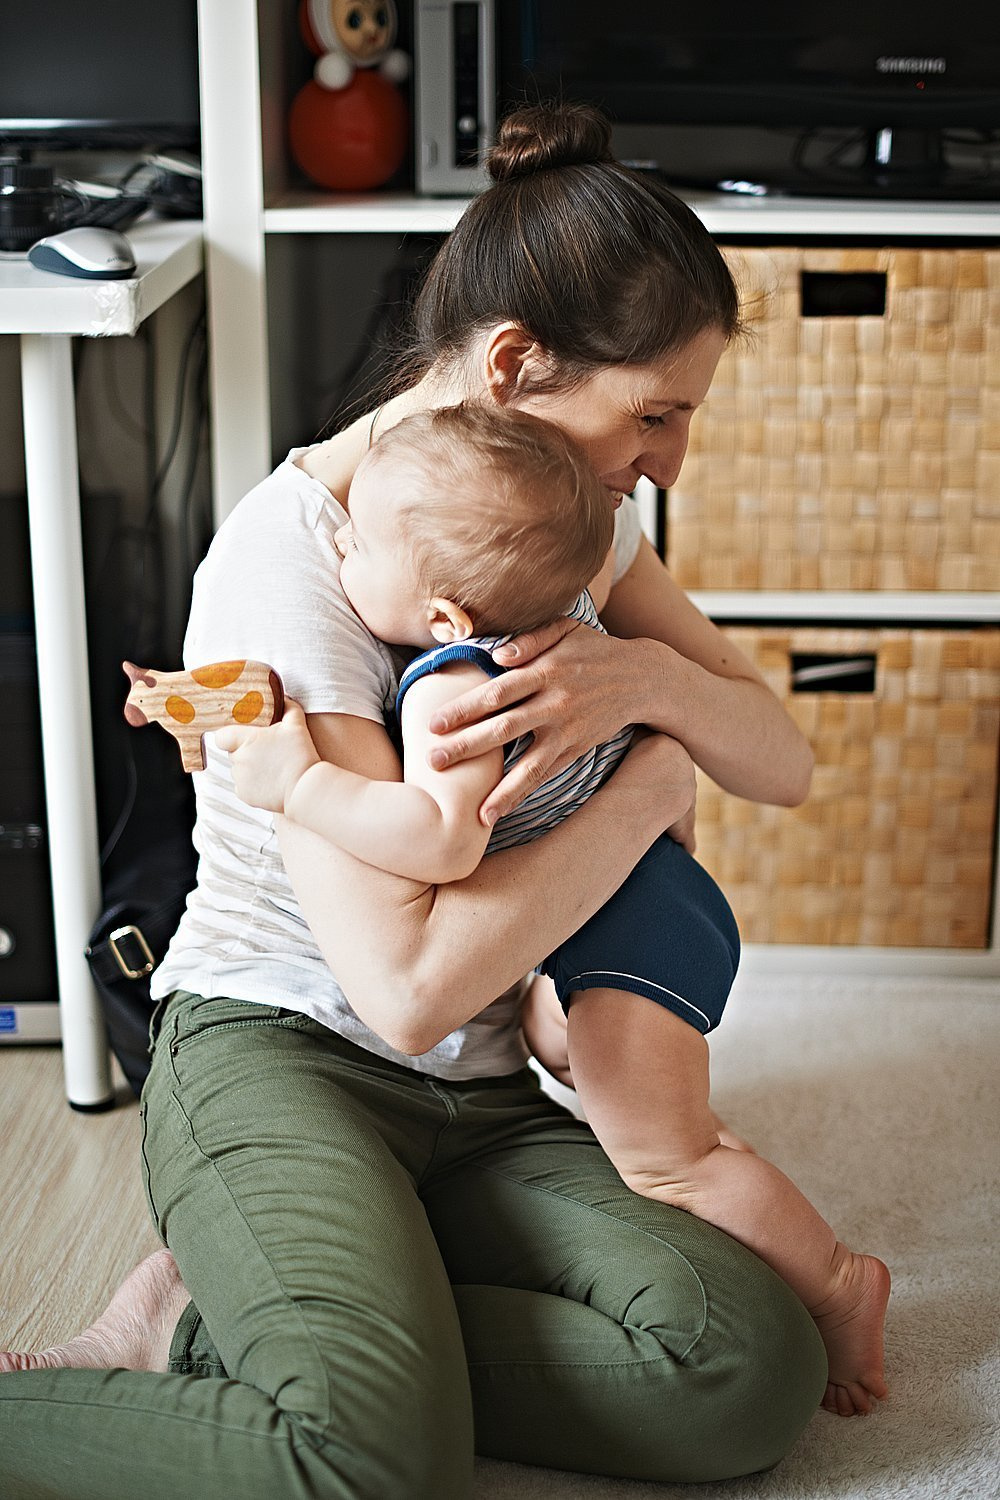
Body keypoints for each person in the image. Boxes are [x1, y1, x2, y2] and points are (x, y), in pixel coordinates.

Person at [0, 102, 840, 1498]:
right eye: (656, 411)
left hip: (478, 1095)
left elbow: (786, 760)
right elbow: (404, 989)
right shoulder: (293, 569)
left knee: (746, 1367)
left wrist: (646, 685)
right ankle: (330, 1362)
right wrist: (646, 793)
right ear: (515, 363)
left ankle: (241, 1329)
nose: (670, 460)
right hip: (286, 1055)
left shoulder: (568, 527)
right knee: (370, 1462)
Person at [216, 397, 890, 1419]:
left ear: (444, 615)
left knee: (667, 1157)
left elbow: (445, 838)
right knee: (649, 1110)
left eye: (357, 547)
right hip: (635, 909)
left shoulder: (451, 687)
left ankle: (842, 1285)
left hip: (626, 924)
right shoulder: (569, 605)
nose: (338, 551)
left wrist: (299, 787)